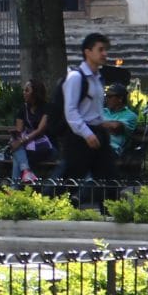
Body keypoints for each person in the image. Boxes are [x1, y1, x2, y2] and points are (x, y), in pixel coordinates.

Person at [60, 31, 115, 201]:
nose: (104, 54)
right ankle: (50, 208)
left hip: (98, 134)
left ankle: (111, 213)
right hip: (81, 137)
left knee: (108, 178)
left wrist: (103, 125)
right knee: (69, 178)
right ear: (88, 52)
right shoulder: (76, 77)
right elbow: (71, 110)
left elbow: (94, 110)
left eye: (105, 49)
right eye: (100, 49)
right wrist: (87, 133)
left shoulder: (98, 79)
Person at [9, 79, 57, 182]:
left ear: (35, 93)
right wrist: (15, 136)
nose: (24, 93)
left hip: (45, 148)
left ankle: (15, 188)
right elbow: (19, 130)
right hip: (28, 147)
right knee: (17, 149)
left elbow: (40, 130)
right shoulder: (23, 109)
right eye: (24, 90)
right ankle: (26, 172)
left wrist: (21, 141)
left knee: (18, 154)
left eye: (27, 90)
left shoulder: (47, 108)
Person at [99, 84, 142, 160]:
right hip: (96, 145)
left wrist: (95, 124)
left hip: (112, 149)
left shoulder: (130, 116)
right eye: (106, 96)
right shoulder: (102, 111)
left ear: (120, 98)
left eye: (109, 96)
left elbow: (115, 127)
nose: (106, 99)